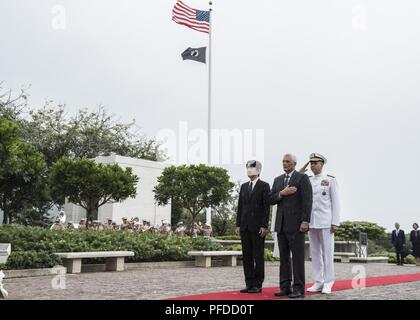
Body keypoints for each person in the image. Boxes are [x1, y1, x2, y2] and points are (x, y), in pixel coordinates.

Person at [269, 154, 312, 299]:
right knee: (284, 258)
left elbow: (307, 201)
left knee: (297, 258)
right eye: (283, 161)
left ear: (294, 163)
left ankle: (299, 289)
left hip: (296, 225)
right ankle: (285, 287)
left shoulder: (301, 178)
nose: (285, 163)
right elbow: (270, 199)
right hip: (280, 225)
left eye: (287, 161)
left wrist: (305, 221)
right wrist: (282, 193)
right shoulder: (278, 180)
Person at [300, 153, 340, 294]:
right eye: (311, 163)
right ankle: (318, 281)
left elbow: (335, 202)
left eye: (316, 163)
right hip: (312, 221)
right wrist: (299, 174)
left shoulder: (330, 180)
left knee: (328, 254)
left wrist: (335, 222)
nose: (313, 166)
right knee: (315, 253)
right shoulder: (307, 179)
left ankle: (328, 282)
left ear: (322, 164)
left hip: (326, 221)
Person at [236, 160, 270, 294]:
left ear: (258, 170)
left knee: (258, 256)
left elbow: (266, 208)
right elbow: (240, 207)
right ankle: (249, 283)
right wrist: (238, 224)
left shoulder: (264, 186)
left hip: (258, 227)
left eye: (252, 168)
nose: (249, 170)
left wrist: (264, 225)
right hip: (244, 226)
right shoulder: (244, 186)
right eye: (247, 168)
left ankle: (258, 284)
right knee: (247, 256)